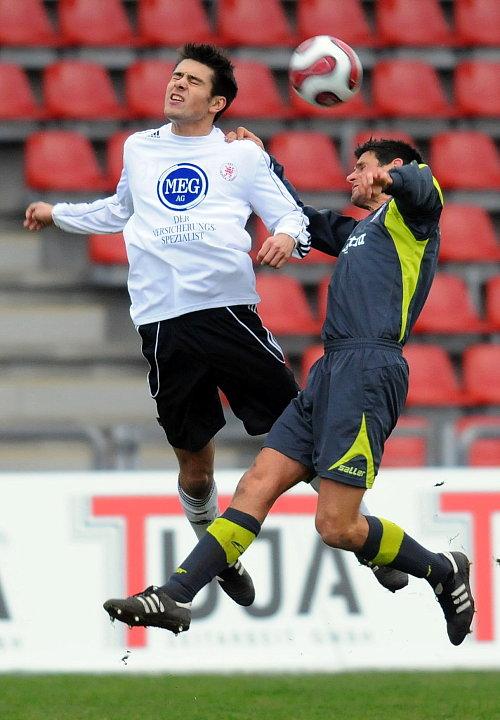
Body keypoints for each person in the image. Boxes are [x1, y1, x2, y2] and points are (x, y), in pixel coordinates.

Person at [23, 44, 402, 605]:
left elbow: (291, 215)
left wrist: (285, 237)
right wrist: (60, 214)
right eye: (175, 76)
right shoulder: (139, 148)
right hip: (160, 323)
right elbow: (119, 210)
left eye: (192, 81)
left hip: (226, 314)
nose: (177, 85)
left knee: (303, 437)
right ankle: (216, 553)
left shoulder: (241, 158)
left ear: (217, 101)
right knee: (194, 467)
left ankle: (371, 546)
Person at [103, 136, 475, 646]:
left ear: (393, 167)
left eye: (361, 168)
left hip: (369, 369)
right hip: (331, 371)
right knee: (256, 484)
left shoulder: (414, 221)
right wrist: (265, 160)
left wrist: (392, 179)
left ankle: (441, 569)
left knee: (338, 526)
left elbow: (427, 187)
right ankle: (175, 594)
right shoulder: (359, 231)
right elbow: (297, 213)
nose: (351, 178)